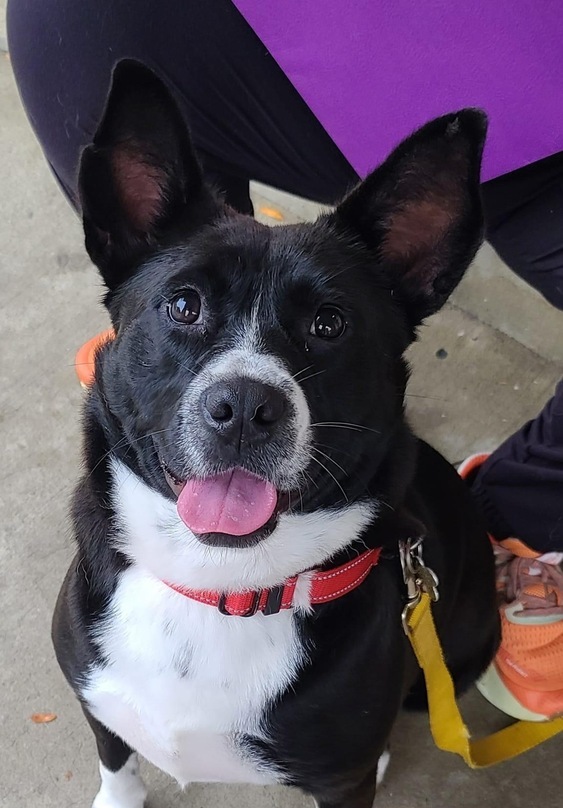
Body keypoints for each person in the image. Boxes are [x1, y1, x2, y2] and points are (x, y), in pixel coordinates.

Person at [7, 0, 563, 717]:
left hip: (521, 68)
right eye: (184, 310)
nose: (246, 390)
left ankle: (507, 513)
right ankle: (154, 377)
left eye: (326, 323)